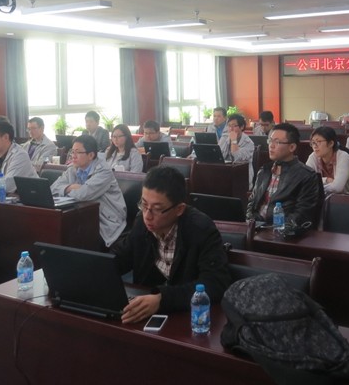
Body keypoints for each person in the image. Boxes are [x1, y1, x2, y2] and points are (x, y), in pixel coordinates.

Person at [111, 165, 231, 324]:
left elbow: (215, 283)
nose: (147, 215)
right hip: (144, 315)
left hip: (189, 318)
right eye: (144, 205)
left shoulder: (201, 229)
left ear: (179, 209)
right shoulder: (142, 222)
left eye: (156, 209)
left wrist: (162, 300)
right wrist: (95, 267)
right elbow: (121, 257)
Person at [51, 135, 127, 247]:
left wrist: (68, 189)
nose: (73, 156)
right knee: (55, 232)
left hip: (105, 221)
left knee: (70, 238)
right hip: (82, 217)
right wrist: (70, 187)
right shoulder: (72, 169)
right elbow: (53, 188)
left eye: (78, 152)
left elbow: (83, 195)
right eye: (72, 152)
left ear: (91, 155)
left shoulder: (104, 171)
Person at [247, 123, 325, 228]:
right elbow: (252, 202)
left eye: (277, 142)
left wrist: (274, 229)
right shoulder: (264, 171)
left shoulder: (306, 176)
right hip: (257, 228)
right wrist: (250, 222)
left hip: (282, 232)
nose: (271, 145)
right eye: (270, 141)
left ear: (292, 147)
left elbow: (301, 215)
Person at [0, 120, 37, 194]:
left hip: (28, 198)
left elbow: (7, 186)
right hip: (1, 197)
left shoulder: (20, 155)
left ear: (6, 137)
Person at [306, 126, 349, 195]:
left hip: (344, 199)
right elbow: (306, 181)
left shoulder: (343, 157)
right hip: (320, 198)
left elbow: (337, 188)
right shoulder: (313, 156)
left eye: (318, 142)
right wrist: (326, 180)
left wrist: (315, 186)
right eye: (313, 142)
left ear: (331, 143)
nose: (315, 146)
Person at [218, 114, 255, 186]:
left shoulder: (249, 143)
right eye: (229, 126)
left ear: (242, 127)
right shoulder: (225, 138)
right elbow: (218, 155)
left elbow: (237, 157)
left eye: (234, 126)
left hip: (242, 178)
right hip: (226, 175)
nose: (231, 129)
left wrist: (233, 141)